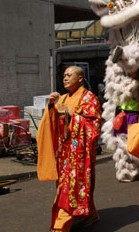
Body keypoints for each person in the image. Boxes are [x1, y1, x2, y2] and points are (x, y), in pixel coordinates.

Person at [36, 66, 102, 232]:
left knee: (70, 187)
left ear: (80, 78)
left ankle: (61, 225)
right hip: (64, 152)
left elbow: (94, 125)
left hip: (80, 154)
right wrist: (51, 106)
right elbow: (51, 123)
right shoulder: (63, 98)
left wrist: (73, 114)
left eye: (69, 75)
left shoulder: (89, 98)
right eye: (64, 75)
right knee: (72, 186)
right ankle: (90, 214)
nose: (65, 78)